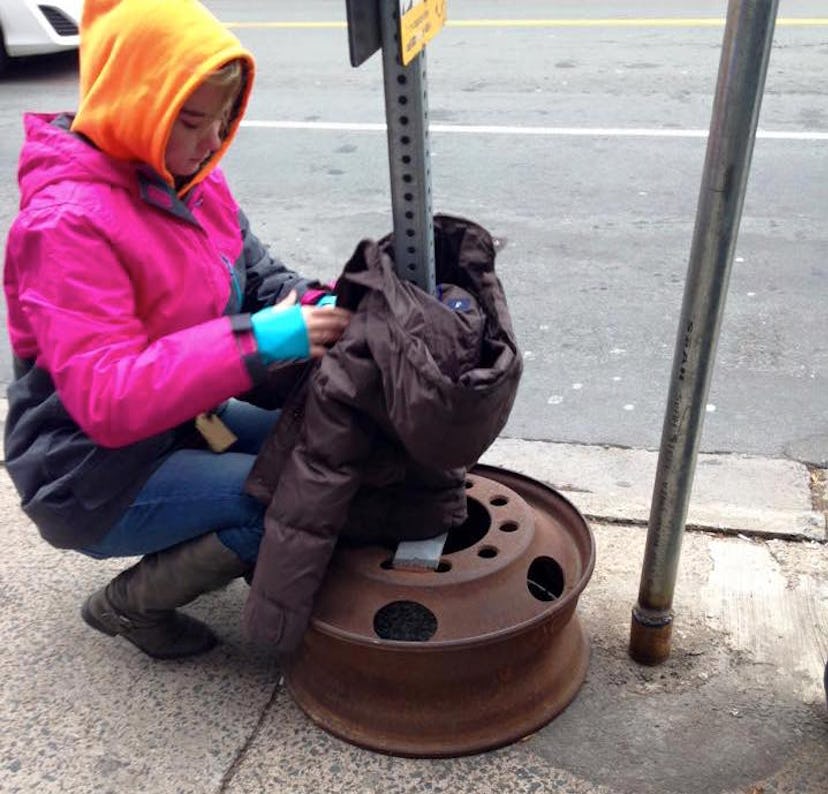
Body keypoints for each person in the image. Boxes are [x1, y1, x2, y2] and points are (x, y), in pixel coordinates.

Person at [2, 0, 351, 660]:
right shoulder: (65, 225)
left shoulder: (191, 181)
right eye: (190, 121)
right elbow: (110, 398)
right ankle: (130, 607)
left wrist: (331, 305)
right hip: (86, 472)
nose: (211, 141)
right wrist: (267, 340)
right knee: (285, 501)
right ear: (134, 99)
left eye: (223, 121)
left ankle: (220, 533)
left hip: (182, 424)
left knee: (312, 445)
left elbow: (260, 276)